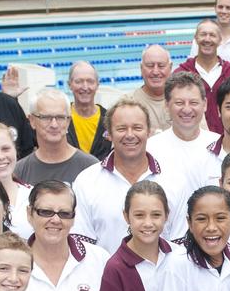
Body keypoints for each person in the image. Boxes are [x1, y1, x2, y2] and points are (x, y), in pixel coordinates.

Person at [71, 99, 188, 248]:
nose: (130, 135)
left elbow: (180, 244)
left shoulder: (174, 180)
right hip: (104, 271)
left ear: (149, 132)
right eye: (121, 129)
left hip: (163, 271)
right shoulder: (86, 181)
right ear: (109, 134)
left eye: (137, 128)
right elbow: (82, 245)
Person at [23, 181, 111, 291]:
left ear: (74, 217)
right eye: (46, 212)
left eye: (64, 213)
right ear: (29, 214)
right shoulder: (11, 263)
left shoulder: (99, 260)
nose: (55, 220)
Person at [94, 182, 174, 291]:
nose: (148, 223)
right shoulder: (116, 267)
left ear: (166, 215)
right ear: (126, 216)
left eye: (156, 215)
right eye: (139, 215)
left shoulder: (178, 256)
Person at [146, 72, 219, 188]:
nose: (186, 109)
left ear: (204, 104)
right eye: (179, 103)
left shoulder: (218, 145)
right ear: (166, 105)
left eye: (193, 102)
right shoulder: (150, 148)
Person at [15, 89, 98, 185]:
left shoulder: (90, 167)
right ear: (32, 121)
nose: (54, 125)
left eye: (60, 117)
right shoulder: (20, 172)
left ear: (68, 121)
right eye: (46, 117)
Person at [175, 19, 230, 134]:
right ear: (196, 38)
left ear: (220, 40)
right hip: (190, 139)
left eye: (212, 35)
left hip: (226, 140)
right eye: (203, 34)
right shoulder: (181, 74)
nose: (207, 39)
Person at [66, 62, 112, 158]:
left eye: (90, 81)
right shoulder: (60, 117)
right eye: (79, 81)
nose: (85, 87)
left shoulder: (110, 119)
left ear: (97, 84)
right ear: (69, 85)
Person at [129, 45, 174, 135]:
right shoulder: (128, 102)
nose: (155, 72)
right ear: (141, 68)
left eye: (161, 66)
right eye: (150, 66)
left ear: (170, 67)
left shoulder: (185, 101)